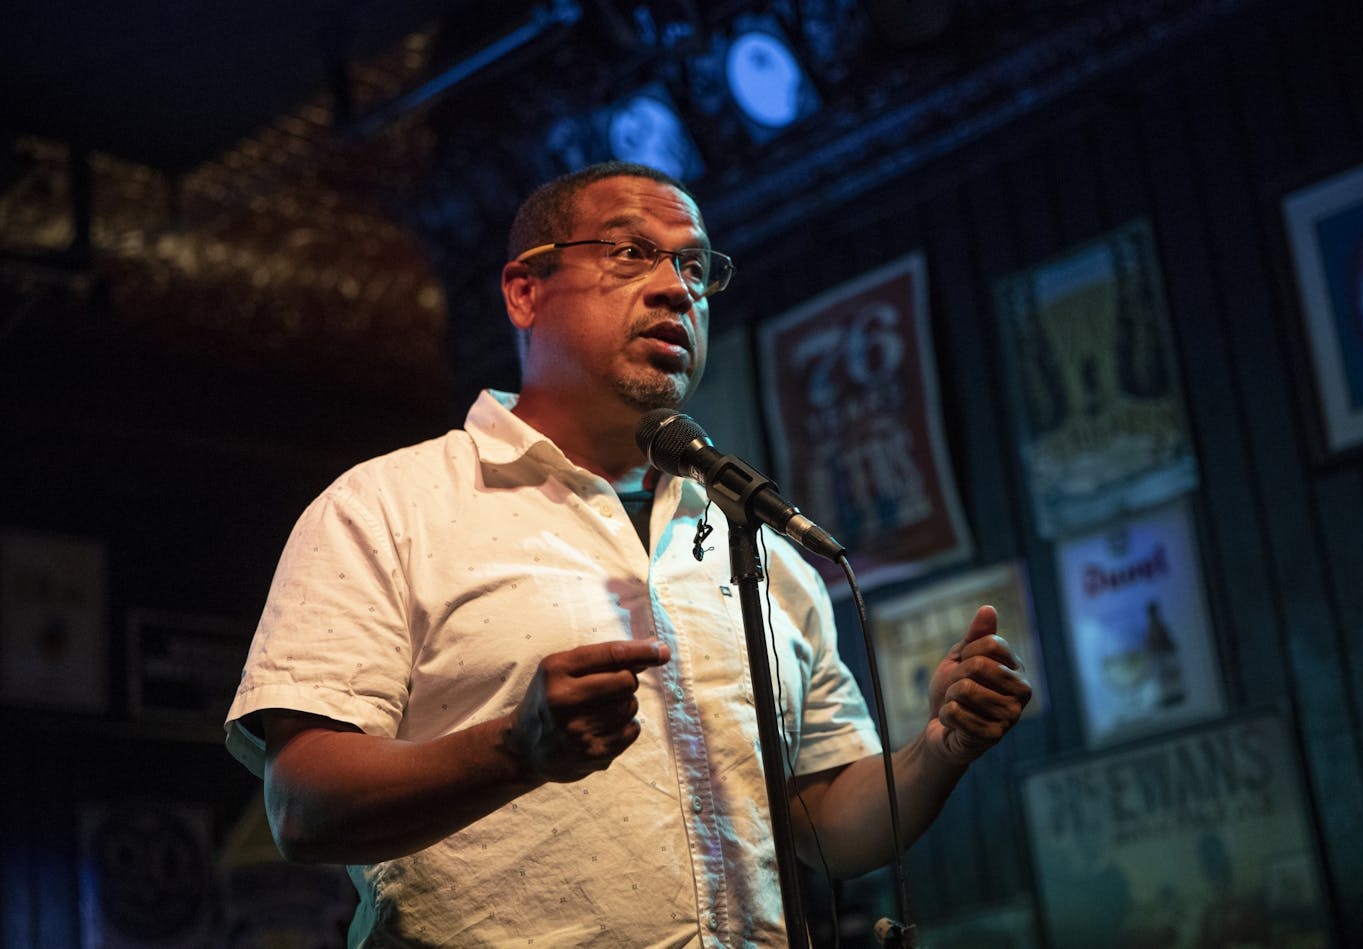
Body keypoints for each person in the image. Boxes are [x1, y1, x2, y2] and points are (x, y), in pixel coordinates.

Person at [224, 160, 1032, 947]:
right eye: (630, 252)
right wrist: (516, 747)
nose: (676, 287)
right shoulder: (388, 507)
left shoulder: (763, 547)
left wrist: (938, 749)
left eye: (693, 265)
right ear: (524, 291)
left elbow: (824, 823)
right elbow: (303, 805)